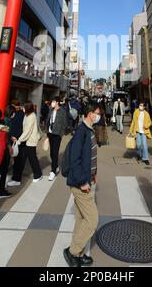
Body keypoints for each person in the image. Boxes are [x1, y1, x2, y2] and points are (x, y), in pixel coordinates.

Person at [64, 101, 101, 267]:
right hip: (81, 184)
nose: (99, 116)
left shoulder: (89, 130)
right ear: (90, 113)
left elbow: (90, 156)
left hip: (88, 179)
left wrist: (94, 174)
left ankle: (77, 253)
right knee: (92, 220)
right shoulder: (81, 131)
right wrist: (83, 181)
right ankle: (72, 252)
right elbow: (75, 160)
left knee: (81, 218)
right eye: (97, 113)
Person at [8, 102, 42, 185]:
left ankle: (38, 175)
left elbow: (27, 131)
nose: (22, 108)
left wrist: (19, 140)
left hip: (30, 141)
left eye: (24, 107)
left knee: (32, 159)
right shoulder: (26, 115)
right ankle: (17, 179)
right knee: (23, 160)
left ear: (28, 108)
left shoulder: (31, 117)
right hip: (26, 141)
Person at [46, 96, 68, 181]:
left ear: (57, 102)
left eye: (53, 101)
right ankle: (56, 166)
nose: (52, 103)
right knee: (52, 153)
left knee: (55, 153)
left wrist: (61, 134)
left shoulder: (62, 111)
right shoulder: (50, 110)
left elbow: (65, 124)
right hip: (50, 133)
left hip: (57, 135)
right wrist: (47, 132)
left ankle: (53, 171)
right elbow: (48, 120)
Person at [0, 105, 16, 199]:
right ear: (11, 113)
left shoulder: (4, 119)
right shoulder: (8, 121)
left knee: (0, 170)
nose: (14, 114)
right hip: (5, 148)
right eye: (13, 113)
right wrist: (9, 147)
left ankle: (1, 190)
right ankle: (1, 191)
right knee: (3, 170)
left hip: (2, 148)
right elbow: (6, 136)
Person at [7, 100, 25, 187]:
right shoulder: (20, 114)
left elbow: (18, 128)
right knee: (17, 159)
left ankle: (16, 179)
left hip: (17, 140)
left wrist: (15, 137)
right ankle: (16, 178)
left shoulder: (18, 115)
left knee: (18, 160)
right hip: (17, 139)